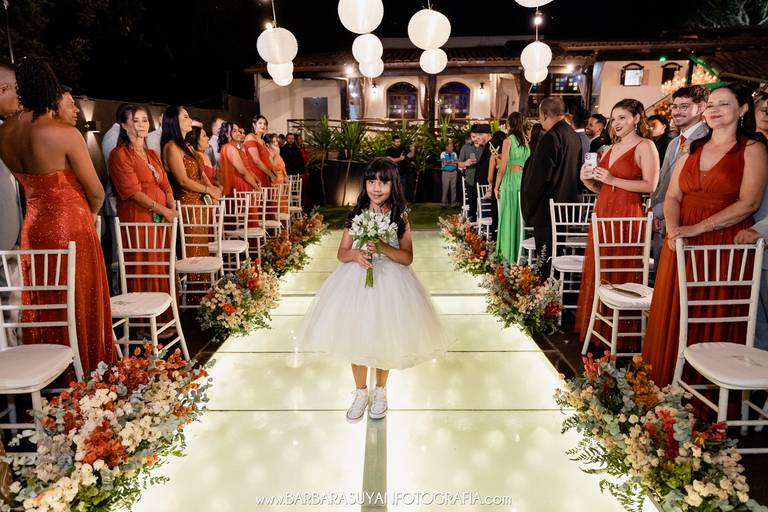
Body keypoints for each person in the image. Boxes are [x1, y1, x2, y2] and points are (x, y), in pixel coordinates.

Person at [298, 158, 449, 422]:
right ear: (364, 184)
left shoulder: (400, 215)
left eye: (383, 182)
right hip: (356, 281)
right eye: (371, 182)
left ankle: (381, 390)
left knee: (383, 336)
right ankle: (360, 392)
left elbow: (407, 257)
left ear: (393, 185)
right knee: (355, 336)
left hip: (391, 281)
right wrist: (355, 254)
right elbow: (341, 252)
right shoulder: (356, 213)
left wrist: (383, 246)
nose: (376, 188)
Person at [642, 83, 768, 387]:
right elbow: (672, 196)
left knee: (713, 311)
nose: (714, 109)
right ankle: (665, 386)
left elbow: (749, 203)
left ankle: (707, 393)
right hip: (681, 242)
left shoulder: (752, 149)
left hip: (723, 243)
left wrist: (696, 229)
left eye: (723, 104)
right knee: (674, 312)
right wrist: (675, 230)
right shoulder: (692, 149)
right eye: (711, 104)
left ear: (742, 109)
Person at [0, 56, 116, 375]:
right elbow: (95, 191)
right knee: (79, 301)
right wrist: (90, 214)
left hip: (33, 227)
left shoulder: (4, 134)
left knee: (45, 300)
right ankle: (88, 371)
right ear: (49, 88)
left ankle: (52, 375)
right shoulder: (64, 133)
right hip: (72, 225)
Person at [574, 99, 660, 343]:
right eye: (614, 119)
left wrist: (612, 180)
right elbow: (601, 188)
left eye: (622, 117)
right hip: (603, 211)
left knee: (621, 267)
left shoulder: (646, 146)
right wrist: (586, 180)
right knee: (600, 267)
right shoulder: (609, 148)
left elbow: (650, 185)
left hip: (627, 215)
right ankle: (598, 329)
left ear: (636, 118)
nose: (617, 123)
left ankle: (622, 335)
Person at [521, 96, 583, 276]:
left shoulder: (551, 137)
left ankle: (545, 289)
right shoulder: (574, 136)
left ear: (545, 114)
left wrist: (529, 206)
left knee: (545, 256)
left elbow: (540, 177)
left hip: (548, 207)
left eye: (540, 117)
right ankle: (556, 288)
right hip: (567, 206)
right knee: (558, 254)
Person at [649, 85, 710, 267]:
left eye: (684, 107)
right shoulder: (675, 141)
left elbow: (693, 186)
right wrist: (655, 212)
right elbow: (664, 181)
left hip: (685, 221)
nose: (676, 112)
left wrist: (659, 212)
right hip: (662, 218)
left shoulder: (706, 139)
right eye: (675, 107)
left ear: (701, 107)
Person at [0, 62, 23, 346]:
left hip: (10, 247)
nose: (20, 101)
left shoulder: (4, 132)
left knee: (12, 317)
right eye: (18, 92)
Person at [161, 105, 221, 205]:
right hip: (186, 203)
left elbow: (201, 173)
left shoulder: (188, 146)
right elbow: (183, 181)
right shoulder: (171, 147)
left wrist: (212, 189)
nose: (190, 120)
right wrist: (208, 190)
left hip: (201, 200)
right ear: (174, 121)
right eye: (186, 117)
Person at [495, 112, 531, 262]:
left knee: (508, 216)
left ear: (509, 124)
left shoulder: (508, 140)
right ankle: (520, 254)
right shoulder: (525, 141)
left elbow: (502, 168)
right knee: (519, 217)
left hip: (510, 181)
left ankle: (508, 254)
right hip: (522, 181)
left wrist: (496, 186)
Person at [478, 129, 506, 236]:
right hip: (507, 187)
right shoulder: (508, 156)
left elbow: (489, 178)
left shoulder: (493, 157)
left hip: (497, 189)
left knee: (496, 213)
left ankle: (495, 236)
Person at [218, 122, 259, 196]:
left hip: (244, 183)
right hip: (240, 186)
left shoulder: (232, 147)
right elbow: (243, 172)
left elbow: (246, 169)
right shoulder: (229, 148)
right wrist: (256, 186)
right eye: (234, 131)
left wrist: (256, 180)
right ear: (227, 134)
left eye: (238, 131)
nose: (238, 133)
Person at [460, 125, 489, 221]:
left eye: (477, 136)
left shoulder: (485, 147)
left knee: (484, 204)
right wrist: (465, 163)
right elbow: (459, 163)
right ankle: (472, 226)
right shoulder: (466, 147)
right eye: (473, 136)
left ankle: (483, 225)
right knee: (472, 205)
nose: (476, 138)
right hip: (470, 180)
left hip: (483, 180)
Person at [243, 114, 274, 186]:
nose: (263, 125)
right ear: (254, 125)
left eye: (265, 124)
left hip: (265, 173)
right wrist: (272, 175)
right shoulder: (251, 137)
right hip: (256, 174)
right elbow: (256, 160)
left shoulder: (262, 141)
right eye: (260, 123)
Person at [385, 135, 415, 200]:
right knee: (392, 189)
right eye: (397, 142)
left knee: (402, 190)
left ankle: (402, 204)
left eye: (399, 141)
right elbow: (389, 159)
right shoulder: (389, 150)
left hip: (402, 174)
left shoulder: (402, 149)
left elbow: (410, 156)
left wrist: (412, 150)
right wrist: (400, 158)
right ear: (392, 142)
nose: (399, 143)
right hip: (393, 174)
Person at [439, 140, 459, 208]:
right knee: (445, 188)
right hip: (446, 173)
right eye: (450, 146)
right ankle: (444, 204)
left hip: (454, 172)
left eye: (452, 147)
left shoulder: (454, 154)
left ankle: (454, 203)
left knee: (453, 188)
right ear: (446, 147)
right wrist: (452, 161)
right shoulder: (443, 153)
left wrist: (449, 162)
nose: (452, 148)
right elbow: (444, 163)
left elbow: (456, 162)